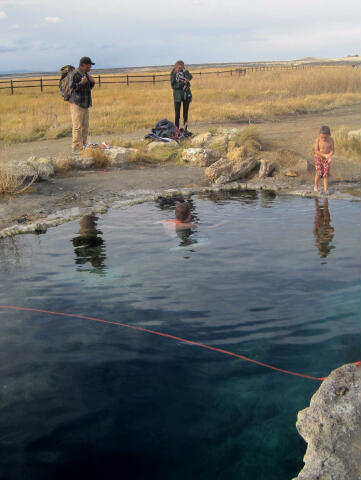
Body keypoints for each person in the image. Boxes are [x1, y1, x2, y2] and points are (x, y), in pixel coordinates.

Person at [69, 56, 96, 153]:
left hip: (85, 104)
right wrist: (81, 82)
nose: (90, 67)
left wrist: (92, 83)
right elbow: (72, 88)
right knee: (77, 127)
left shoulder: (86, 74)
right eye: (89, 65)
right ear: (83, 65)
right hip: (77, 104)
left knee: (85, 126)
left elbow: (87, 89)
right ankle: (76, 148)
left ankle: (84, 146)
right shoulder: (75, 74)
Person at [170, 60, 193, 131]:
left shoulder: (185, 72)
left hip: (186, 95)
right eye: (179, 67)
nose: (180, 68)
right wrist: (183, 83)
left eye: (181, 67)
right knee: (177, 115)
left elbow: (190, 77)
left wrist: (185, 71)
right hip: (177, 96)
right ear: (176, 66)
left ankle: (185, 129)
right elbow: (173, 85)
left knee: (185, 114)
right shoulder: (173, 73)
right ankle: (176, 130)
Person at [313, 126, 334, 195]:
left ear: (329, 135)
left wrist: (330, 156)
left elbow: (332, 150)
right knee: (319, 173)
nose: (324, 139)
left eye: (325, 137)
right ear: (319, 135)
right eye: (322, 137)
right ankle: (316, 186)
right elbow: (315, 150)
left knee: (325, 175)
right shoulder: (318, 140)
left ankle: (326, 190)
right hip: (318, 158)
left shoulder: (331, 140)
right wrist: (324, 155)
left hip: (327, 159)